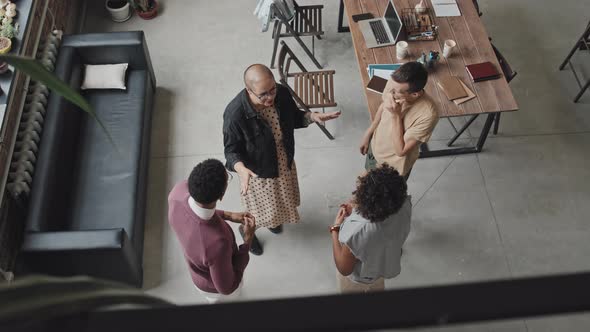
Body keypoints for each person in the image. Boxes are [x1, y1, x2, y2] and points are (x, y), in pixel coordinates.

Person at [223, 64, 341, 255]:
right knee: (259, 215)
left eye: (272, 90)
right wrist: (240, 168)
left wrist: (311, 116)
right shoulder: (234, 114)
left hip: (283, 163)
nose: (270, 97)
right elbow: (230, 151)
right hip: (259, 174)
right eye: (263, 94)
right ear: (248, 90)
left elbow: (294, 117)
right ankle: (246, 234)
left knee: (278, 207)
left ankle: (275, 222)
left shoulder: (282, 94)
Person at [168, 159, 256, 303]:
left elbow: (196, 214)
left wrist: (228, 215)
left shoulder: (176, 193)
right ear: (221, 196)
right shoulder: (216, 244)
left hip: (197, 274)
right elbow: (227, 288)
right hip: (213, 288)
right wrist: (247, 241)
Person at [330, 164, 411, 293]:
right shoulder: (404, 205)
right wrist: (357, 210)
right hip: (380, 269)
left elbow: (344, 268)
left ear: (366, 200)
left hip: (358, 281)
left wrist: (335, 229)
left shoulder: (357, 232)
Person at [359, 61, 439, 180]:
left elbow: (401, 151)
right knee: (367, 182)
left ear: (415, 94)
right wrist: (369, 133)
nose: (391, 93)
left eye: (396, 92)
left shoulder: (428, 115)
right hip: (375, 149)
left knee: (384, 197)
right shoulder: (395, 83)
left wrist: (396, 116)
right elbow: (383, 106)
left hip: (393, 168)